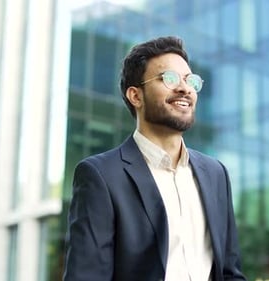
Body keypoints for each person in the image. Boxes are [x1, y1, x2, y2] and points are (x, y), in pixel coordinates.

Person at [63, 36, 246, 281]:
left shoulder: (215, 174)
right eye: (169, 78)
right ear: (135, 96)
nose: (184, 88)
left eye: (190, 80)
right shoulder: (101, 176)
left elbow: (229, 273)